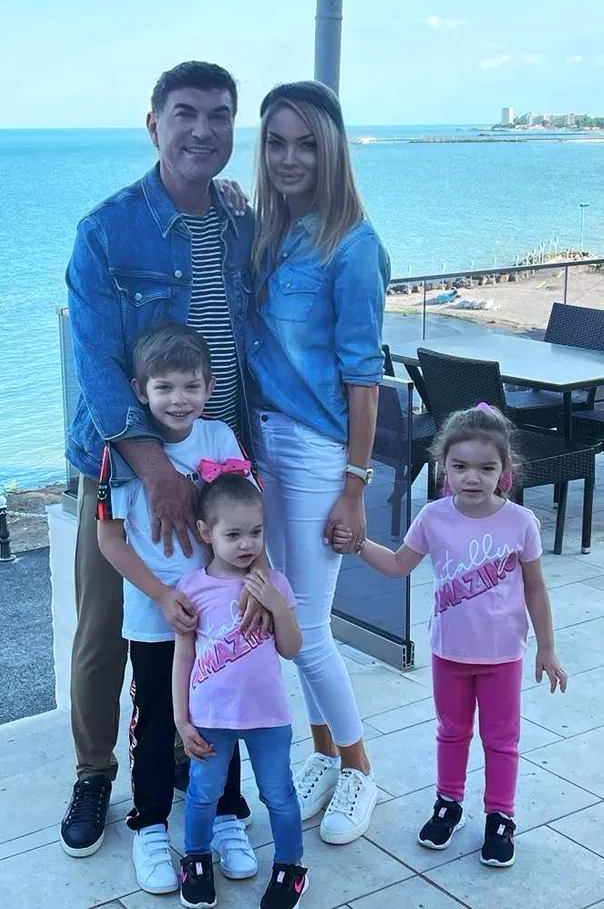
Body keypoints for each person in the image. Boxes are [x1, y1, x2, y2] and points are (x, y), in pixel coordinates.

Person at [61, 60, 265, 859]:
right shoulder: (107, 231)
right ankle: (93, 771)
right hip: (125, 466)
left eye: (219, 116)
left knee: (208, 618)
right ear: (154, 124)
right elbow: (96, 363)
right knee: (108, 628)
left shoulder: (240, 223)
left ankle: (187, 749)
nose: (202, 131)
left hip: (218, 467)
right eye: (185, 114)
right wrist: (153, 471)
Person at [246, 80, 390, 845]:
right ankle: (326, 755)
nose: (290, 157)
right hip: (261, 444)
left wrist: (355, 489)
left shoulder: (354, 247)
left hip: (313, 453)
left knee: (305, 622)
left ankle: (361, 766)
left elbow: (365, 381)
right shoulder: (267, 234)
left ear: (331, 149)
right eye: (276, 142)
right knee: (285, 618)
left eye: (306, 142)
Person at [335, 403, 568, 868]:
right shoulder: (433, 518)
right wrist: (358, 544)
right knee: (452, 732)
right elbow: (398, 565)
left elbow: (535, 589)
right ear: (443, 465)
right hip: (449, 654)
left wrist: (547, 646)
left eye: (486, 468)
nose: (472, 478)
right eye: (460, 467)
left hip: (502, 657)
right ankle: (448, 803)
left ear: (504, 470)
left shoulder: (521, 523)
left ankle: (500, 816)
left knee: (501, 739)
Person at [96, 322, 258, 892]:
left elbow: (247, 518)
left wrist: (257, 585)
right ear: (140, 391)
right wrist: (162, 594)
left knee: (222, 714)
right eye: (164, 387)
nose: (178, 399)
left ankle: (227, 814)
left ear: (209, 387)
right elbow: (109, 540)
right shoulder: (121, 452)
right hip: (153, 617)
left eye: (191, 386)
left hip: (221, 616)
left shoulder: (219, 439)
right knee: (157, 720)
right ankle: (149, 825)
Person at [173, 473, 307, 909]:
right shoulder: (192, 588)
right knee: (203, 792)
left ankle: (290, 867)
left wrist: (277, 606)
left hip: (268, 716)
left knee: (278, 793)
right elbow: (183, 657)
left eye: (256, 532)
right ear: (205, 532)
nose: (247, 544)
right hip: (211, 718)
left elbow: (291, 648)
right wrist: (181, 719)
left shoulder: (275, 584)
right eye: (233, 535)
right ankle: (196, 859)